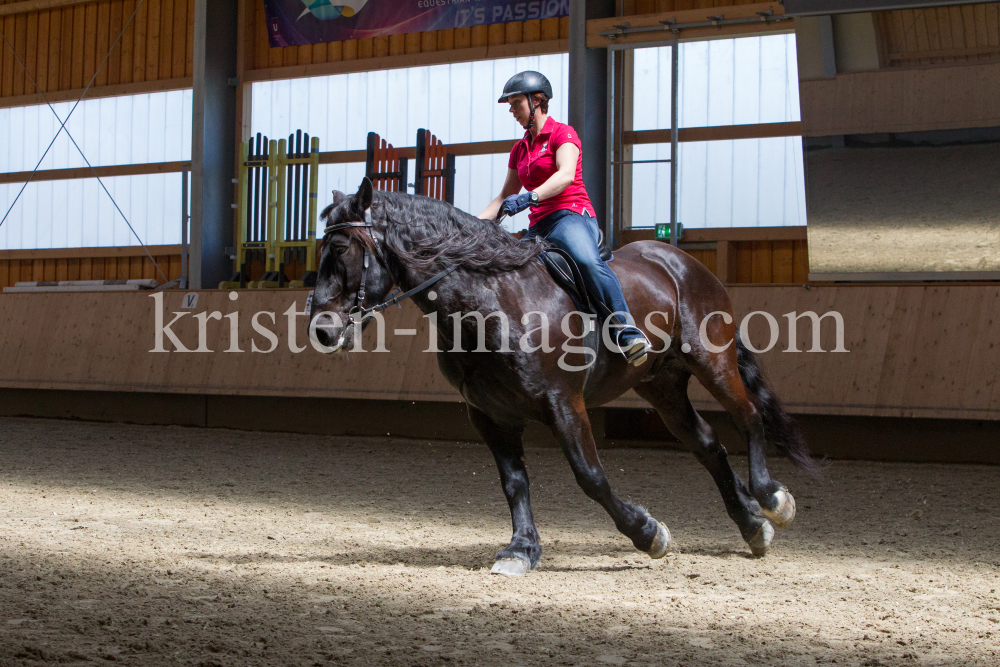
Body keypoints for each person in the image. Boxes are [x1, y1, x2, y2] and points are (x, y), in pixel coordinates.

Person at [479, 71, 652, 367]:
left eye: (515, 102)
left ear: (537, 101)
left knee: (586, 261)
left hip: (570, 215)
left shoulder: (563, 134)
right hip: (538, 227)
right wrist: (471, 227)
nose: (511, 110)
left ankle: (627, 330)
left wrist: (531, 196)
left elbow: (566, 175)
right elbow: (503, 196)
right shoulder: (520, 149)